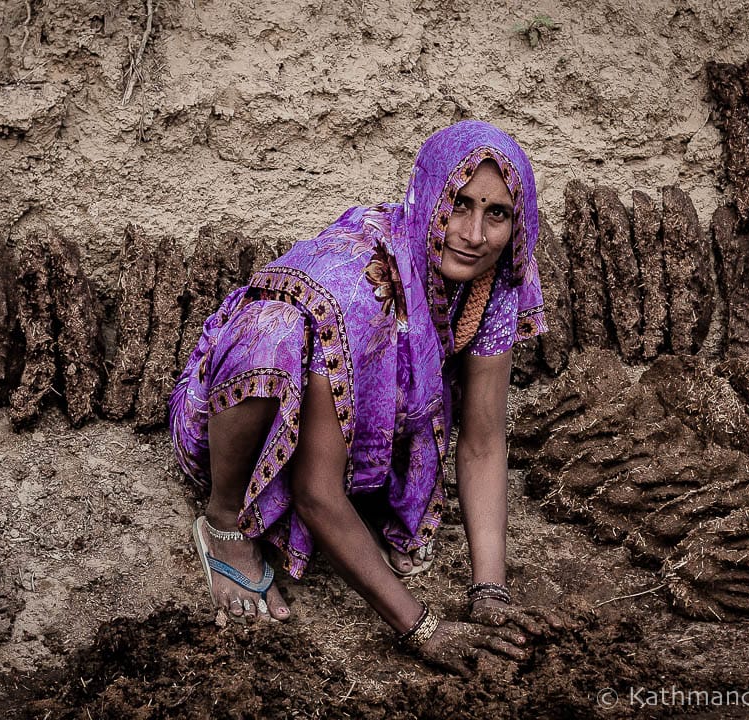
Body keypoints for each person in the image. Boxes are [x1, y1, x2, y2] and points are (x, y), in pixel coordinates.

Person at [169, 120, 562, 674]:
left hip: (349, 432)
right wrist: (422, 628)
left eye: (496, 213)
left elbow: (481, 443)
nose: (473, 234)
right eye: (460, 204)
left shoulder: (497, 278)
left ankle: (369, 505)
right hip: (242, 417)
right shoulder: (366, 288)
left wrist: (489, 591)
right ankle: (225, 521)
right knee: (272, 333)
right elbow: (316, 494)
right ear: (430, 196)